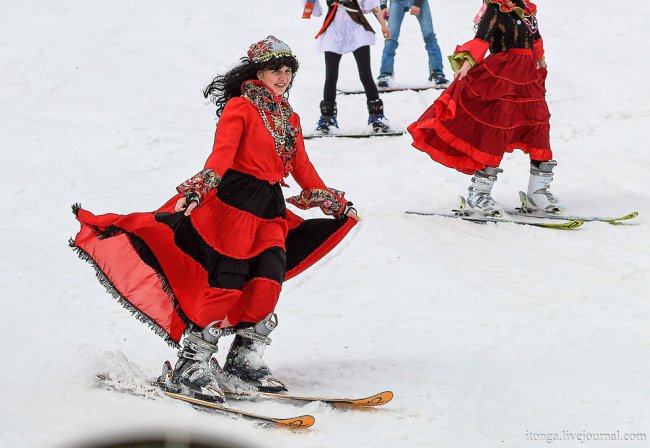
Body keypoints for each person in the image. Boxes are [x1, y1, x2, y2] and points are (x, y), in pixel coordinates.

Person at [70, 36, 360, 404]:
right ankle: (191, 362)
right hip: (233, 204)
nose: (283, 77)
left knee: (268, 280)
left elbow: (301, 167)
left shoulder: (289, 117)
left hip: (269, 207)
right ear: (258, 72)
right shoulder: (240, 107)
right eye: (276, 70)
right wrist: (197, 190)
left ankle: (244, 358)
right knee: (227, 281)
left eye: (288, 71)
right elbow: (220, 157)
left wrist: (330, 200)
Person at [407, 0, 563, 215]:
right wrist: (467, 65)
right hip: (502, 76)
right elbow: (482, 39)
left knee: (539, 128)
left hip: (527, 78)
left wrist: (541, 62)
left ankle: (538, 193)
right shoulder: (496, 7)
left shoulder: (527, 9)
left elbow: (535, 40)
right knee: (497, 130)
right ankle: (479, 194)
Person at [304, 0, 393, 134]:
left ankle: (377, 116)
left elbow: (374, 6)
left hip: (357, 30)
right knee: (331, 75)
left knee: (365, 74)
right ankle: (328, 117)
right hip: (334, 31)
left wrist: (384, 25)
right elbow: (313, 8)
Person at [376, 0, 450, 89]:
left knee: (429, 35)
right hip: (396, 2)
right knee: (391, 37)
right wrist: (383, 6)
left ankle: (437, 73)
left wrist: (417, 3)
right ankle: (385, 74)